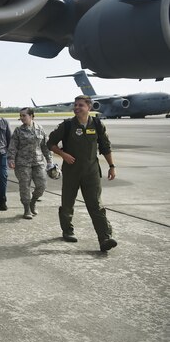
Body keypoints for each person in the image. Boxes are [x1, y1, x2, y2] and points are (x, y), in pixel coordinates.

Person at [46, 95, 118, 252]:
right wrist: (63, 154)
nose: (76, 107)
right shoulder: (67, 125)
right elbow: (50, 143)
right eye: (75, 105)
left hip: (91, 172)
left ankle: (105, 237)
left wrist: (111, 166)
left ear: (89, 107)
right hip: (72, 171)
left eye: (80, 105)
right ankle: (67, 230)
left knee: (96, 205)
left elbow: (105, 147)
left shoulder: (98, 124)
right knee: (67, 204)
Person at [7, 108, 53, 219]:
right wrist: (11, 159)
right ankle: (27, 208)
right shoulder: (18, 131)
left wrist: (50, 160)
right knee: (24, 187)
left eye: (24, 115)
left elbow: (45, 146)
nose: (21, 118)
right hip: (22, 163)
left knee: (42, 185)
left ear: (31, 116)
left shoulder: (40, 129)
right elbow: (13, 146)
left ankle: (33, 201)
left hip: (38, 162)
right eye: (20, 116)